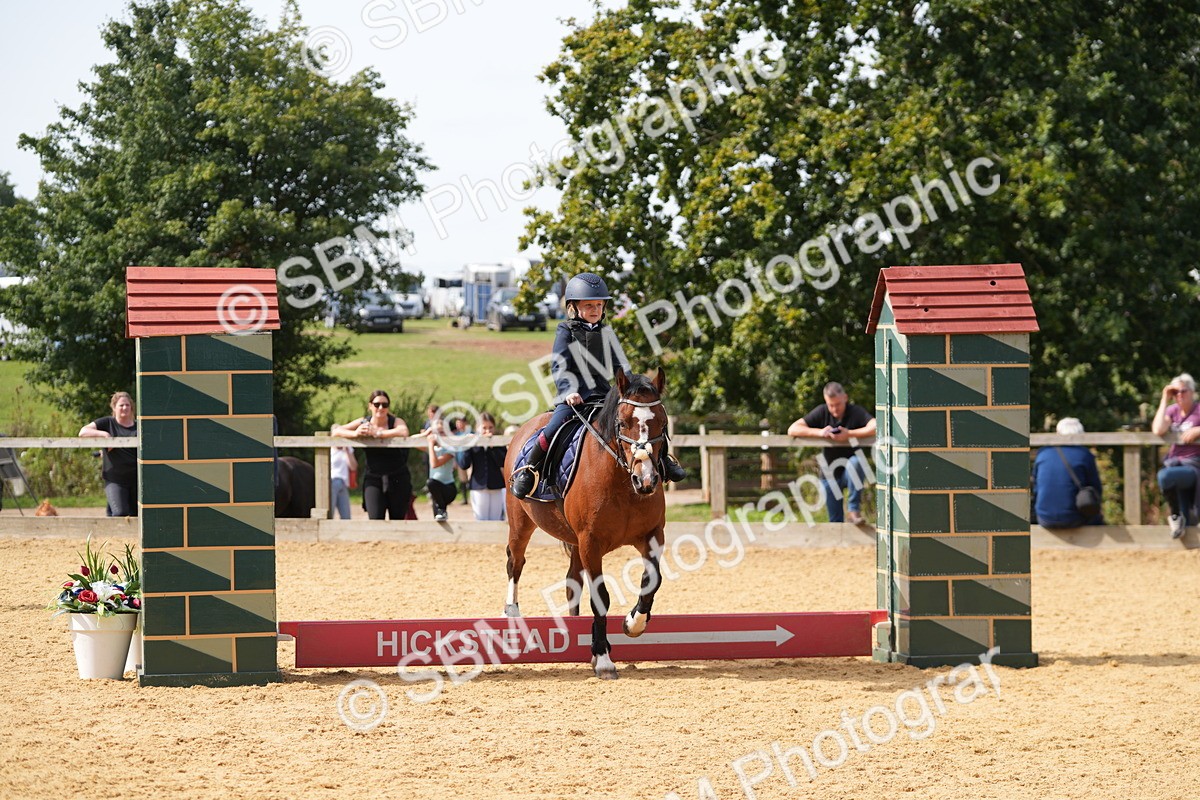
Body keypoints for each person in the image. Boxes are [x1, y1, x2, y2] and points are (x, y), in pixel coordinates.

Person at [510, 271, 685, 499]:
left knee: (646, 420)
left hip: (605, 397)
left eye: (599, 305)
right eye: (589, 305)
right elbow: (559, 365)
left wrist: (634, 390)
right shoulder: (566, 331)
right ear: (574, 307)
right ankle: (530, 469)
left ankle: (664, 462)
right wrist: (567, 391)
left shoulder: (607, 333)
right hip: (574, 398)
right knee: (553, 428)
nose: (595, 310)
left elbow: (621, 367)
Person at [787, 382, 877, 524]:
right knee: (835, 522)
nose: (834, 409)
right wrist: (820, 433)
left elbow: (876, 426)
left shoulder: (855, 412)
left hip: (851, 472)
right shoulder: (822, 412)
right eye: (831, 405)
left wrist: (849, 434)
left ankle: (853, 511)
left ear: (845, 398)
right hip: (829, 473)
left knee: (857, 461)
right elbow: (792, 429)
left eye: (838, 404)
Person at [333, 390, 411, 520]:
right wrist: (356, 434)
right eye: (377, 404)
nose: (381, 408)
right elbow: (336, 431)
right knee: (375, 518)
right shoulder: (364, 422)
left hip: (398, 477)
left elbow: (404, 431)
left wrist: (379, 433)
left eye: (385, 405)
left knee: (397, 519)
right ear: (370, 406)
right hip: (374, 477)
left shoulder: (395, 421)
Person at [1031, 417, 1104, 528]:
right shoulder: (1084, 455)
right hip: (1074, 518)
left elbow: (1036, 488)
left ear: (1058, 433)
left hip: (1044, 517)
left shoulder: (1043, 453)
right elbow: (1096, 489)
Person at [1152, 373, 1200, 539]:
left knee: (1165, 476)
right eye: (1175, 392)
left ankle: (1176, 516)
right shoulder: (1172, 411)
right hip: (1175, 464)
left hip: (1194, 466)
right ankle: (1179, 519)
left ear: (1192, 392)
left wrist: (1198, 430)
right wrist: (1165, 398)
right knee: (1168, 475)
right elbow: (1158, 429)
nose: (1179, 395)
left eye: (1183, 391)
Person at [79, 391, 138, 517]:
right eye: (121, 405)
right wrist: (104, 435)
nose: (124, 408)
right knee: (120, 513)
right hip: (115, 479)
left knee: (137, 515)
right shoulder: (107, 423)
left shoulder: (138, 427)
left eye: (127, 405)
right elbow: (83, 432)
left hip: (136, 479)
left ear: (131, 407)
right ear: (114, 407)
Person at [455, 412, 508, 520]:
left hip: (496, 485)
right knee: (480, 519)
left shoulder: (498, 443)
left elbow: (503, 462)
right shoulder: (473, 442)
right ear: (478, 428)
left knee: (496, 519)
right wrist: (467, 445)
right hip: (478, 486)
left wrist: (493, 447)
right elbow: (464, 464)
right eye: (484, 428)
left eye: (490, 427)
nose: (488, 431)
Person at [421, 419, 457, 522]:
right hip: (435, 492)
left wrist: (431, 444)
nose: (438, 435)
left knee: (430, 482)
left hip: (448, 488)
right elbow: (410, 440)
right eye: (436, 432)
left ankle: (442, 509)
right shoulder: (433, 448)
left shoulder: (450, 449)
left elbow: (434, 464)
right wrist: (426, 434)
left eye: (441, 432)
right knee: (437, 519)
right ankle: (441, 511)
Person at [329, 425, 354, 520]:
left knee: (346, 516)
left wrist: (347, 450)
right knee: (330, 514)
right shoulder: (329, 449)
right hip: (332, 482)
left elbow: (353, 466)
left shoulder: (347, 449)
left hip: (344, 483)